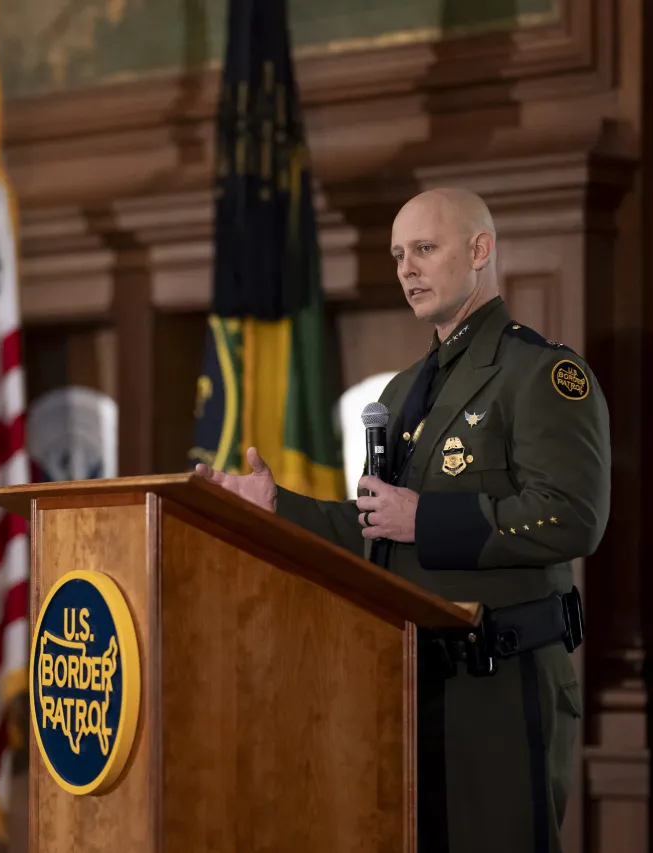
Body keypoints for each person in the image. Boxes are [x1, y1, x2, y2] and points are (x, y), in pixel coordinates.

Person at [194, 187, 611, 853]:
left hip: (502, 690)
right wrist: (278, 507)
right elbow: (378, 533)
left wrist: (429, 519)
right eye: (396, 255)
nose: (406, 268)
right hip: (406, 683)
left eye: (424, 248)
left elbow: (573, 518)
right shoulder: (402, 391)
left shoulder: (540, 374)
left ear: (480, 250)